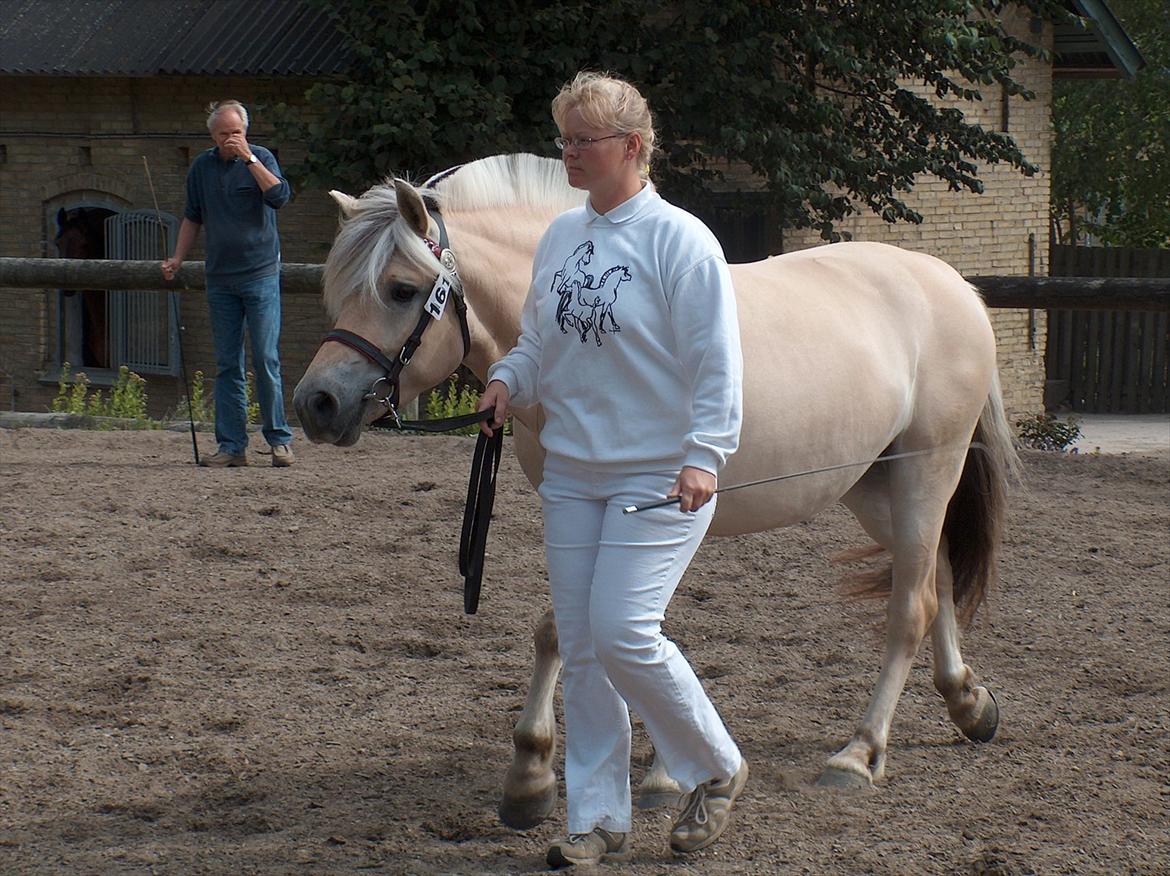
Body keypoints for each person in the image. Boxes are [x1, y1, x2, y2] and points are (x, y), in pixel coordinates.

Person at [478, 72, 747, 868]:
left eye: (582, 140)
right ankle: (597, 819)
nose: (568, 153)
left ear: (632, 147)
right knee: (586, 651)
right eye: (563, 138)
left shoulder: (682, 241)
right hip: (572, 474)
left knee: (626, 633)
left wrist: (706, 455)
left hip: (658, 477)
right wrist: (507, 380)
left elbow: (717, 364)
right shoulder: (561, 237)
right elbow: (538, 344)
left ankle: (717, 766)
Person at [161, 99, 295, 467]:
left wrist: (250, 160)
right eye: (223, 135)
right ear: (212, 136)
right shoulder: (201, 167)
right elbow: (192, 217)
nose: (230, 139)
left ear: (245, 132)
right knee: (227, 364)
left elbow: (280, 196)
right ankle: (232, 446)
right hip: (219, 278)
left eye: (235, 133)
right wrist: (177, 257)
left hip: (261, 274)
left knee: (266, 358)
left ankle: (279, 441)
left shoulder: (262, 158)